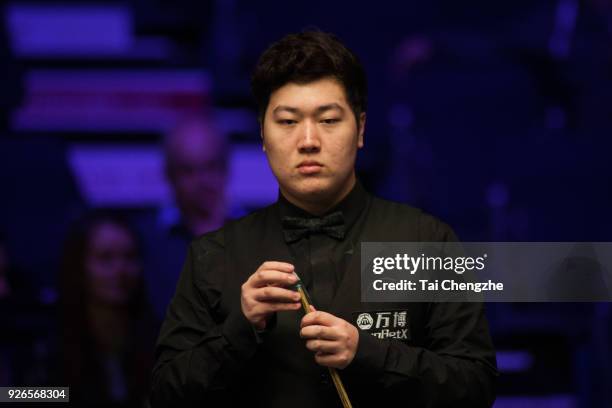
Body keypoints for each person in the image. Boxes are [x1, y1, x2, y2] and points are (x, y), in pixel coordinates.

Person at [151, 31, 497, 407]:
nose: (309, 140)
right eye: (287, 122)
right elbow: (166, 394)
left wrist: (367, 353)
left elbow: (475, 387)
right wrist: (240, 327)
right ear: (263, 135)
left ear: (361, 129)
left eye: (329, 119)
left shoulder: (426, 241)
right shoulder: (212, 255)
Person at [58, 212, 155, 407]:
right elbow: (13, 395)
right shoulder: (49, 340)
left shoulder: (160, 337)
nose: (121, 270)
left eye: (130, 257)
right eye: (105, 258)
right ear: (79, 266)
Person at [137, 116, 229, 322]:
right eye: (189, 170)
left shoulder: (255, 233)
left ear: (226, 168)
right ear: (169, 174)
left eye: (211, 166)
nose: (202, 181)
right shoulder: (143, 240)